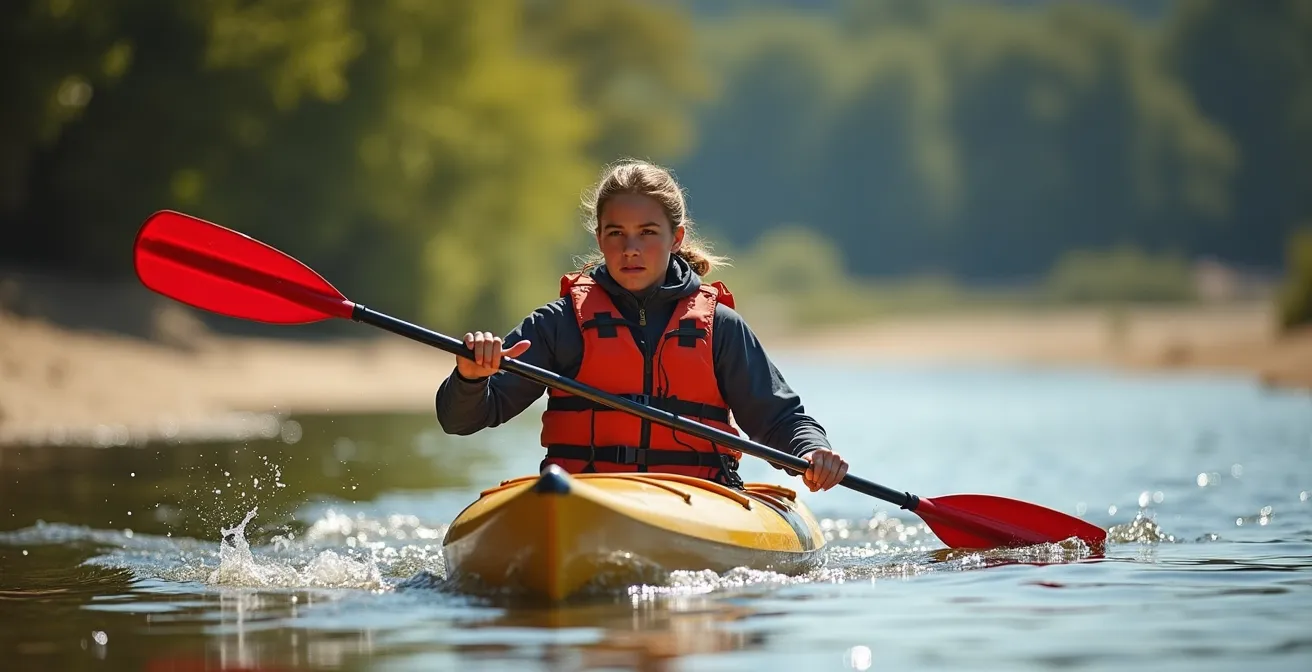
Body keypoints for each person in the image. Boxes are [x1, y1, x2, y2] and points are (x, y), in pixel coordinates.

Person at [435, 159, 849, 492]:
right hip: (585, 494)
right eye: (616, 233)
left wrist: (813, 451)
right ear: (599, 239)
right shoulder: (560, 324)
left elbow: (778, 419)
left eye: (647, 233)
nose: (630, 249)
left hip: (697, 499)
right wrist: (470, 379)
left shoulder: (719, 327)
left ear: (675, 237)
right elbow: (462, 419)